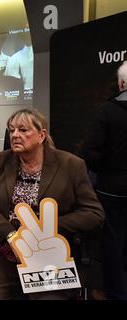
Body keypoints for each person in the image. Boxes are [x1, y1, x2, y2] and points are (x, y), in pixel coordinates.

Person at [0, 108, 104, 300]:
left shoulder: (71, 165)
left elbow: (94, 213)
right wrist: (9, 233)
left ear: (41, 135)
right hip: (5, 250)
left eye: (23, 130)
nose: (15, 135)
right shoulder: (0, 161)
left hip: (48, 253)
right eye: (12, 131)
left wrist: (45, 227)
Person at [81, 61, 127, 300]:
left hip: (112, 189)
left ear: (121, 84)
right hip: (113, 187)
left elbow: (90, 154)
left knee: (112, 245)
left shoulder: (106, 112)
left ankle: (116, 293)